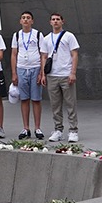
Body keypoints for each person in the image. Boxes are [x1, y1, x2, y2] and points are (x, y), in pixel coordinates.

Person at [39, 13, 80, 143]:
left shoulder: (69, 36)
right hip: (52, 75)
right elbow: (44, 57)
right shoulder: (46, 39)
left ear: (62, 21)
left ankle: (73, 130)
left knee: (70, 103)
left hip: (66, 74)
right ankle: (58, 130)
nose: (55, 21)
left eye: (58, 19)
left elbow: (74, 54)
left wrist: (72, 72)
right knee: (55, 104)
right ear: (50, 22)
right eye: (53, 20)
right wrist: (43, 74)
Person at [10, 11, 44, 140]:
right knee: (24, 99)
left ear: (32, 21)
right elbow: (14, 54)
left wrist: (41, 72)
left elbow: (43, 54)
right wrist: (14, 72)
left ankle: (37, 128)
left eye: (28, 18)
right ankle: (26, 128)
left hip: (35, 68)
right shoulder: (17, 35)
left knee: (36, 99)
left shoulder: (38, 34)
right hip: (21, 69)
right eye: (23, 18)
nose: (25, 20)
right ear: (20, 21)